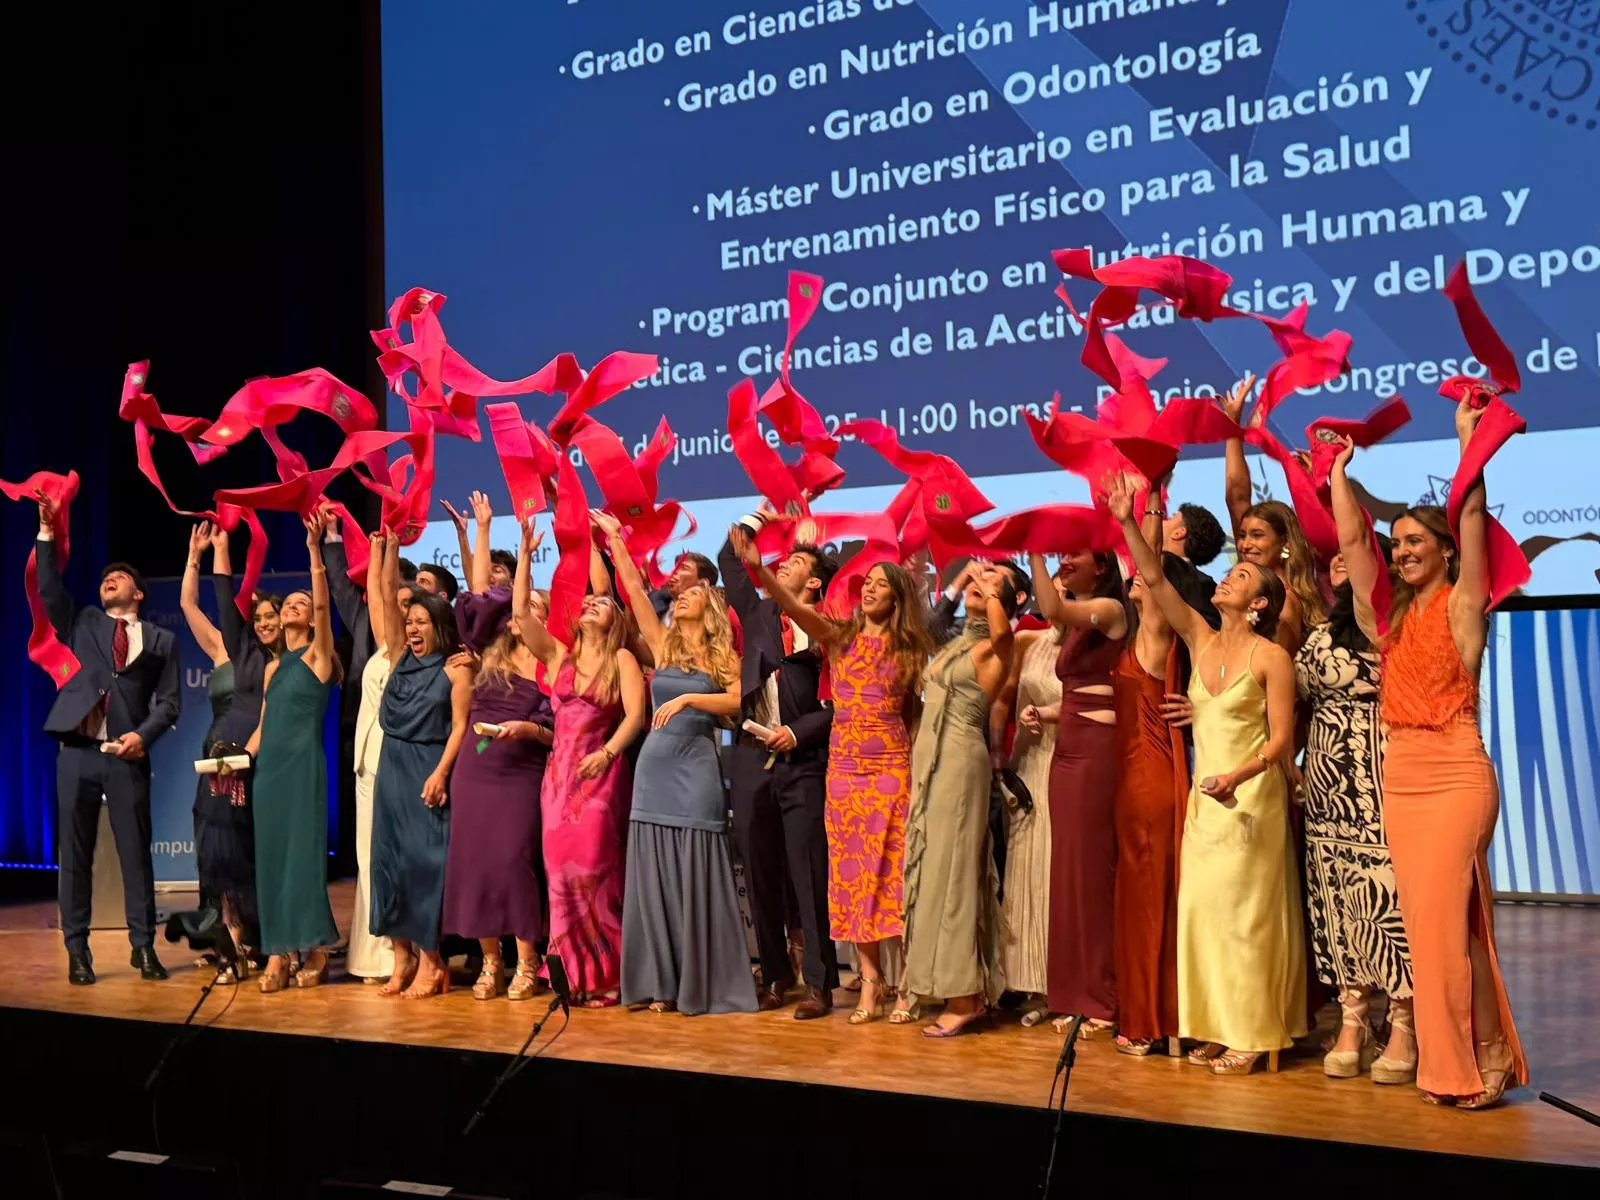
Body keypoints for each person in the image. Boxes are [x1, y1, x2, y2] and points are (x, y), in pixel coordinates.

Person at [1330, 418, 1526, 1109]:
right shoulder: (1387, 620)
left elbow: (1470, 509)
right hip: (1403, 780)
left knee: (1443, 930)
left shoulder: (1464, 605)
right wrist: (1336, 471)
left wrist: (1469, 439)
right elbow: (1353, 540)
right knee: (1440, 929)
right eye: (1400, 542)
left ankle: (1457, 1071)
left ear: (1445, 551)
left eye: (1417, 540)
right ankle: (1491, 1049)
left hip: (1455, 774)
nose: (1403, 549)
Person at [1108, 472, 1306, 1075]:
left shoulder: (1272, 656)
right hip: (1206, 799)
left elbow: (1280, 741)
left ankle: (1253, 1031)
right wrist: (1126, 519)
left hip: (1250, 799)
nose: (1228, 575)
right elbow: (1155, 578)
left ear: (1262, 602)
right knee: (1207, 915)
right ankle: (1220, 1024)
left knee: (1247, 917)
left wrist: (1236, 778)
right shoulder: (1200, 636)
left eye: (1241, 576)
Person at [745, 549, 932, 1027]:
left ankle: (907, 978)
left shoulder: (909, 647)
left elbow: (912, 717)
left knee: (891, 878)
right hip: (844, 773)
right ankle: (871, 978)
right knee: (853, 880)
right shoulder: (841, 637)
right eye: (866, 582)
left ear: (897, 597)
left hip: (890, 769)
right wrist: (762, 570)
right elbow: (795, 607)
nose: (868, 589)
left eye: (880, 584)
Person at [597, 512, 755, 1015]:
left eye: (692, 593)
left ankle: (698, 983)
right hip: (655, 773)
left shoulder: (724, 655)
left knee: (693, 876)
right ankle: (661, 984)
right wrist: (617, 539)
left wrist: (691, 703)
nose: (681, 595)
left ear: (710, 604)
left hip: (696, 772)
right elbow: (636, 595)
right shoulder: (664, 644)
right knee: (656, 881)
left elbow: (736, 702)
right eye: (680, 594)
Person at [34, 493, 180, 985]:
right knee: (73, 856)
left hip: (127, 756)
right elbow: (51, 590)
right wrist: (48, 533)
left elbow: (170, 703)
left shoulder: (161, 641)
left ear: (138, 592)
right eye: (103, 578)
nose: (107, 579)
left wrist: (143, 736)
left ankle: (144, 948)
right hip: (77, 752)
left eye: (118, 576)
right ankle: (78, 950)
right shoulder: (84, 622)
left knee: (136, 854)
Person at [1294, 541, 1416, 1079]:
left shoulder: (1390, 622)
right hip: (1325, 776)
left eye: (1353, 551)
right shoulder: (1321, 627)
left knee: (1384, 891)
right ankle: (1353, 1017)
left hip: (1374, 768)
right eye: (1336, 555)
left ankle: (1405, 1021)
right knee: (1335, 891)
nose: (1339, 559)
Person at [517, 520, 646, 1006]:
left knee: (593, 871)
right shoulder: (559, 657)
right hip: (558, 780)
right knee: (560, 879)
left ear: (616, 620)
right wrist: (528, 555)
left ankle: (606, 974)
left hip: (602, 776)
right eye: (589, 601)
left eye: (603, 602)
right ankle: (569, 976)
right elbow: (522, 618)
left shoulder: (624, 662)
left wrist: (608, 752)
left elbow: (637, 715)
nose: (593, 602)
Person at [718, 513, 840, 1017]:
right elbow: (730, 559)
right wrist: (757, 516)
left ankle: (819, 982)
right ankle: (773, 975)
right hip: (750, 758)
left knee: (809, 874)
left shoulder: (830, 627)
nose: (781, 565)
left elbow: (838, 702)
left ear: (814, 580)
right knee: (761, 872)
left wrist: (800, 731)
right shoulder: (758, 611)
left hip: (804, 761)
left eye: (793, 562)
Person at [443, 505, 555, 1001]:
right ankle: (491, 962)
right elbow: (476, 594)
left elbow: (556, 731)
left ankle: (526, 962)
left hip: (521, 771)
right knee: (476, 862)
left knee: (515, 862)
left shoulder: (549, 660)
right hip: (476, 767)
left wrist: (527, 728)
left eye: (531, 606)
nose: (520, 613)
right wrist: (484, 530)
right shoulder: (484, 648)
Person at [902, 564, 1016, 1037]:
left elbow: (1004, 632)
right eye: (979, 579)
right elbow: (925, 627)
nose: (980, 581)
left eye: (994, 581)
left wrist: (991, 593)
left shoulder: (995, 647)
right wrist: (960, 581)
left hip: (960, 761)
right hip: (930, 763)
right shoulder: (953, 643)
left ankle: (965, 996)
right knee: (932, 870)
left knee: (955, 876)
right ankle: (941, 984)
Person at [1108, 495, 1204, 1055]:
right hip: (1131, 779)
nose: (1135, 579)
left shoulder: (1157, 631)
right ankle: (1150, 1014)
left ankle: (1150, 1020)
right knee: (1143, 899)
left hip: (1149, 778)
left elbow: (1147, 567)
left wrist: (1136, 513)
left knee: (1150, 901)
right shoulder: (1139, 636)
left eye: (1145, 578)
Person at [1028, 547, 1129, 1039]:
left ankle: (1104, 998)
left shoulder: (1110, 610)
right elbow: (1083, 691)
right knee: (1068, 874)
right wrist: (1047, 714)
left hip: (1095, 757)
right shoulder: (1075, 622)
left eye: (1075, 557)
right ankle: (1073, 995)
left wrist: (1034, 553)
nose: (1065, 561)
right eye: (1061, 555)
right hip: (1066, 751)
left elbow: (1052, 608)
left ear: (1103, 569)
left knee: (1092, 878)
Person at [369, 530, 473, 998]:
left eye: (420, 622)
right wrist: (389, 548)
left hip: (427, 771)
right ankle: (401, 958)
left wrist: (441, 772)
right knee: (387, 863)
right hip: (391, 768)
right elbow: (386, 597)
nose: (410, 628)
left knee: (422, 865)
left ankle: (432, 961)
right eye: (407, 621)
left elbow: (460, 726)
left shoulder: (456, 667)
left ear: (438, 624)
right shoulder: (396, 657)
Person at [179, 521, 281, 979]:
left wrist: (251, 753)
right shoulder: (232, 649)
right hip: (218, 756)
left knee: (246, 848)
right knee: (215, 847)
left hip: (255, 758)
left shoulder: (284, 664)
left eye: (267, 618)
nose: (260, 624)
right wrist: (206, 551)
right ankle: (228, 937)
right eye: (255, 618)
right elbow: (203, 599)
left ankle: (254, 936)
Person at [246, 515, 344, 992]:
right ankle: (280, 953)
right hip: (269, 773)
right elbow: (262, 730)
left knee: (302, 860)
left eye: (298, 604)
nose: (290, 607)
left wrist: (314, 553)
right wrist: (232, 764)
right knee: (271, 860)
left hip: (303, 768)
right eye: (288, 602)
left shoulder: (318, 657)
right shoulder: (271, 668)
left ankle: (317, 948)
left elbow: (324, 609)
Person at [321, 517, 396, 984]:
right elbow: (341, 586)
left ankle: (395, 943)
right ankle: (368, 943)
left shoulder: (417, 637)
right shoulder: (364, 619)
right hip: (359, 742)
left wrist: (386, 554)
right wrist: (331, 539)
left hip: (403, 747)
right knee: (363, 848)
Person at [991, 575, 1066, 1028]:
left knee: (1060, 872)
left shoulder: (1097, 643)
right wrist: (999, 753)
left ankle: (1068, 984)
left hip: (1071, 760)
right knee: (1026, 873)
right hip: (1030, 764)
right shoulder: (1029, 640)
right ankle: (1034, 983)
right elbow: (1003, 696)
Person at [1220, 373, 1327, 651]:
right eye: (1242, 535)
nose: (1245, 544)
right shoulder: (1245, 589)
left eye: (1257, 535)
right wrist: (1232, 428)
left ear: (1284, 544)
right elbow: (1236, 496)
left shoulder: (1286, 602)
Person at [648, 550, 718, 621]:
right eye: (675, 568)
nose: (673, 572)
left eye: (684, 568)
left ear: (702, 584)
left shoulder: (712, 620)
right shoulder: (654, 603)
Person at [1163, 502, 1226, 569]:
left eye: (1169, 519)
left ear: (1178, 533)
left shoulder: (1159, 570)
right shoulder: (1191, 577)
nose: (1161, 520)